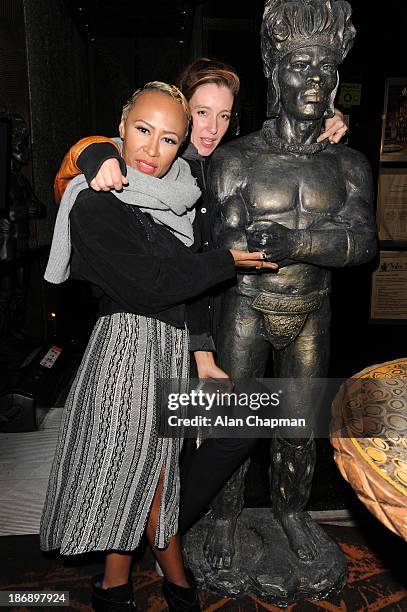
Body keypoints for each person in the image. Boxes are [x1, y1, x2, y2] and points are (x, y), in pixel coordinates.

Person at [52, 57, 349, 546]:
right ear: (182, 113)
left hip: (211, 329)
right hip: (161, 332)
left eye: (225, 115)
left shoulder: (221, 164)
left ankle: (164, 528)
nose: (213, 127)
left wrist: (334, 118)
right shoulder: (158, 165)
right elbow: (102, 158)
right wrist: (91, 151)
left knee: (213, 438)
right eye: (202, 113)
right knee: (161, 447)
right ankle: (157, 537)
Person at [39, 81, 272, 612]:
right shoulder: (93, 201)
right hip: (124, 353)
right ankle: (166, 580)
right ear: (118, 129)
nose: (152, 148)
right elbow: (155, 284)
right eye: (142, 131)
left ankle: (117, 585)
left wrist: (203, 357)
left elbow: (186, 290)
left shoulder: (179, 203)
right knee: (132, 472)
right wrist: (227, 261)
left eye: (169, 139)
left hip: (168, 352)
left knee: (156, 472)